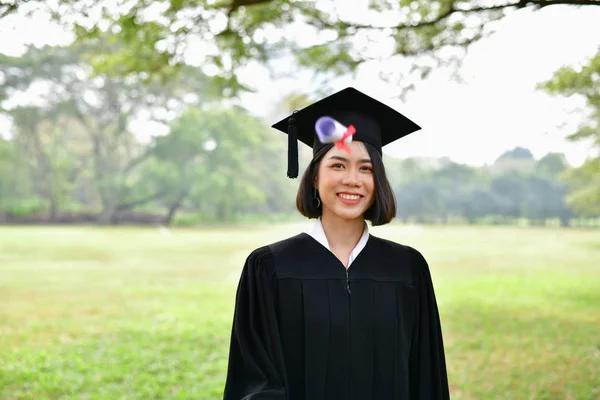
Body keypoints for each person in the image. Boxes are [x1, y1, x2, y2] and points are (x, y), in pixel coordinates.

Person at [223, 87, 450, 400]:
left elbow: (427, 379)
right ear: (315, 176)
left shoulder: (408, 269)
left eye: (365, 168)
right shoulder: (270, 267)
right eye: (338, 165)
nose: (352, 179)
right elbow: (254, 380)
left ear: (378, 179)